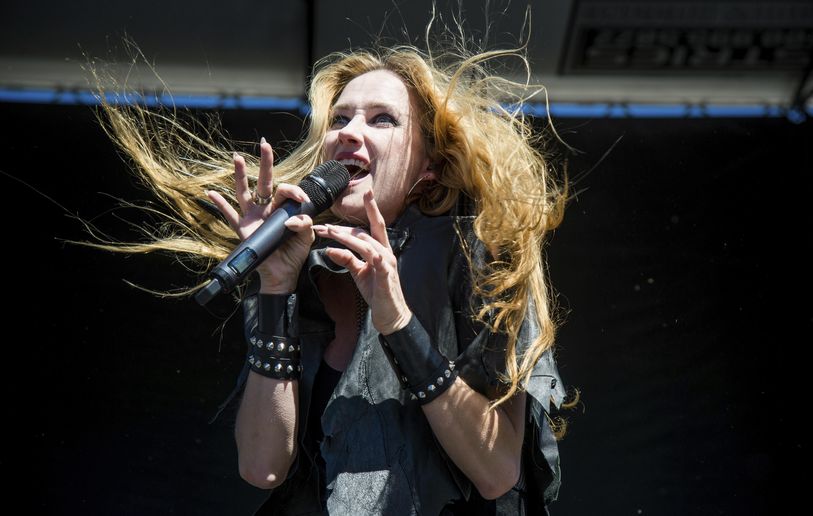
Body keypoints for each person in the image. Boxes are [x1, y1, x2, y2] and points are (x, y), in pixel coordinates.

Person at [94, 35, 573, 515]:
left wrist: (398, 324)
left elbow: (497, 474)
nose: (348, 131)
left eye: (382, 118)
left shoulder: (482, 262)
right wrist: (277, 286)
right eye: (340, 119)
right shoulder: (304, 263)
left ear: (429, 166)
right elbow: (262, 467)